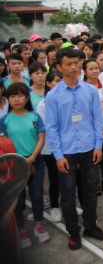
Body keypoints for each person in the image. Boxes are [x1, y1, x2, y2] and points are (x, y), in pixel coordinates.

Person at [44, 48, 103, 250]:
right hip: (67, 151)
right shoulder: (53, 96)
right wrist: (58, 155)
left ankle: (90, 225)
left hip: (89, 147)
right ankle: (73, 231)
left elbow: (98, 120)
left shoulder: (90, 90)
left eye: (76, 63)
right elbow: (52, 127)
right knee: (67, 193)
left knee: (90, 190)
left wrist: (98, 145)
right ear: (58, 67)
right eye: (68, 64)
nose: (74, 67)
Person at [0, 83, 48, 248]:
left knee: (36, 195)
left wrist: (32, 158)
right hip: (13, 164)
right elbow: (4, 143)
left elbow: (41, 138)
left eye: (20, 95)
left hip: (35, 160)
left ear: (27, 98)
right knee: (18, 199)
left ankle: (38, 225)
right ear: (8, 100)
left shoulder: (34, 116)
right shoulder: (4, 120)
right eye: (12, 96)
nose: (16, 99)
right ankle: (21, 229)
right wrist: (19, 162)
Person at [82, 59, 103, 194]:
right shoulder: (81, 88)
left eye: (96, 68)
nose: (95, 71)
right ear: (84, 71)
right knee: (91, 156)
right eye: (91, 69)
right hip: (88, 130)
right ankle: (94, 182)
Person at [36, 71, 64, 223]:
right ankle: (55, 207)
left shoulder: (66, 100)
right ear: (48, 84)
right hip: (50, 147)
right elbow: (49, 128)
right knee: (55, 179)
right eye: (56, 81)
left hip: (67, 146)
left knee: (67, 178)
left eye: (61, 81)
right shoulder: (43, 105)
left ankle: (67, 205)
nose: (59, 84)